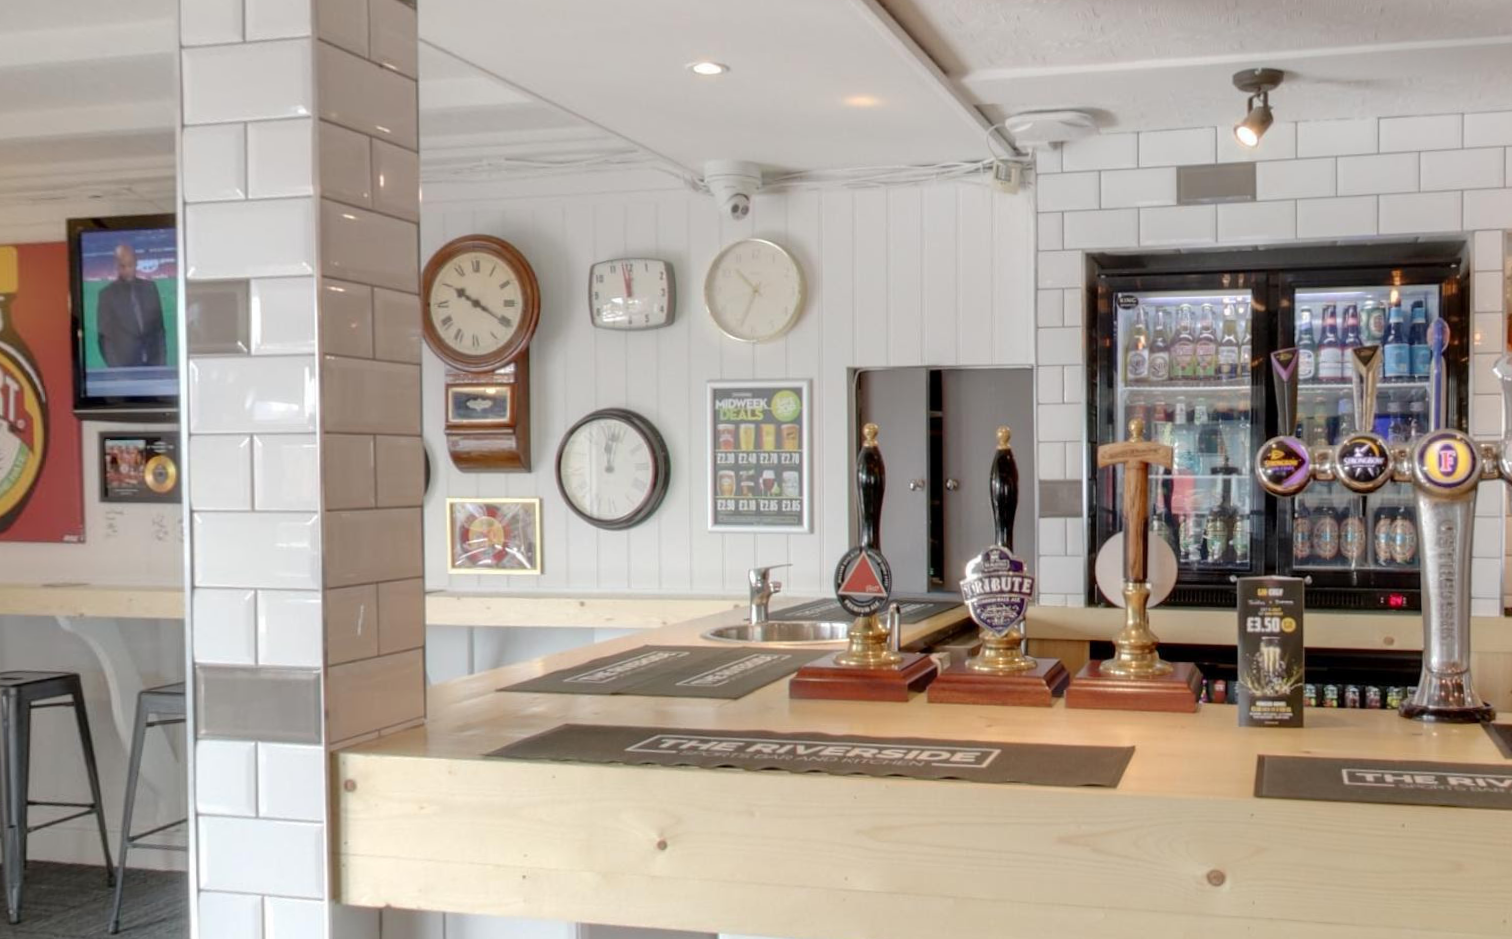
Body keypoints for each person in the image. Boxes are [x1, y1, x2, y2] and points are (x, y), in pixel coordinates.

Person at [96, 243, 166, 368]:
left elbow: (159, 329)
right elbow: (105, 339)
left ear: (136, 263)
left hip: (154, 365)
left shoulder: (150, 288)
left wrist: (161, 363)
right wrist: (117, 371)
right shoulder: (106, 295)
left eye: (130, 265)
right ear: (117, 266)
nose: (127, 270)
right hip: (124, 369)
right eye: (123, 266)